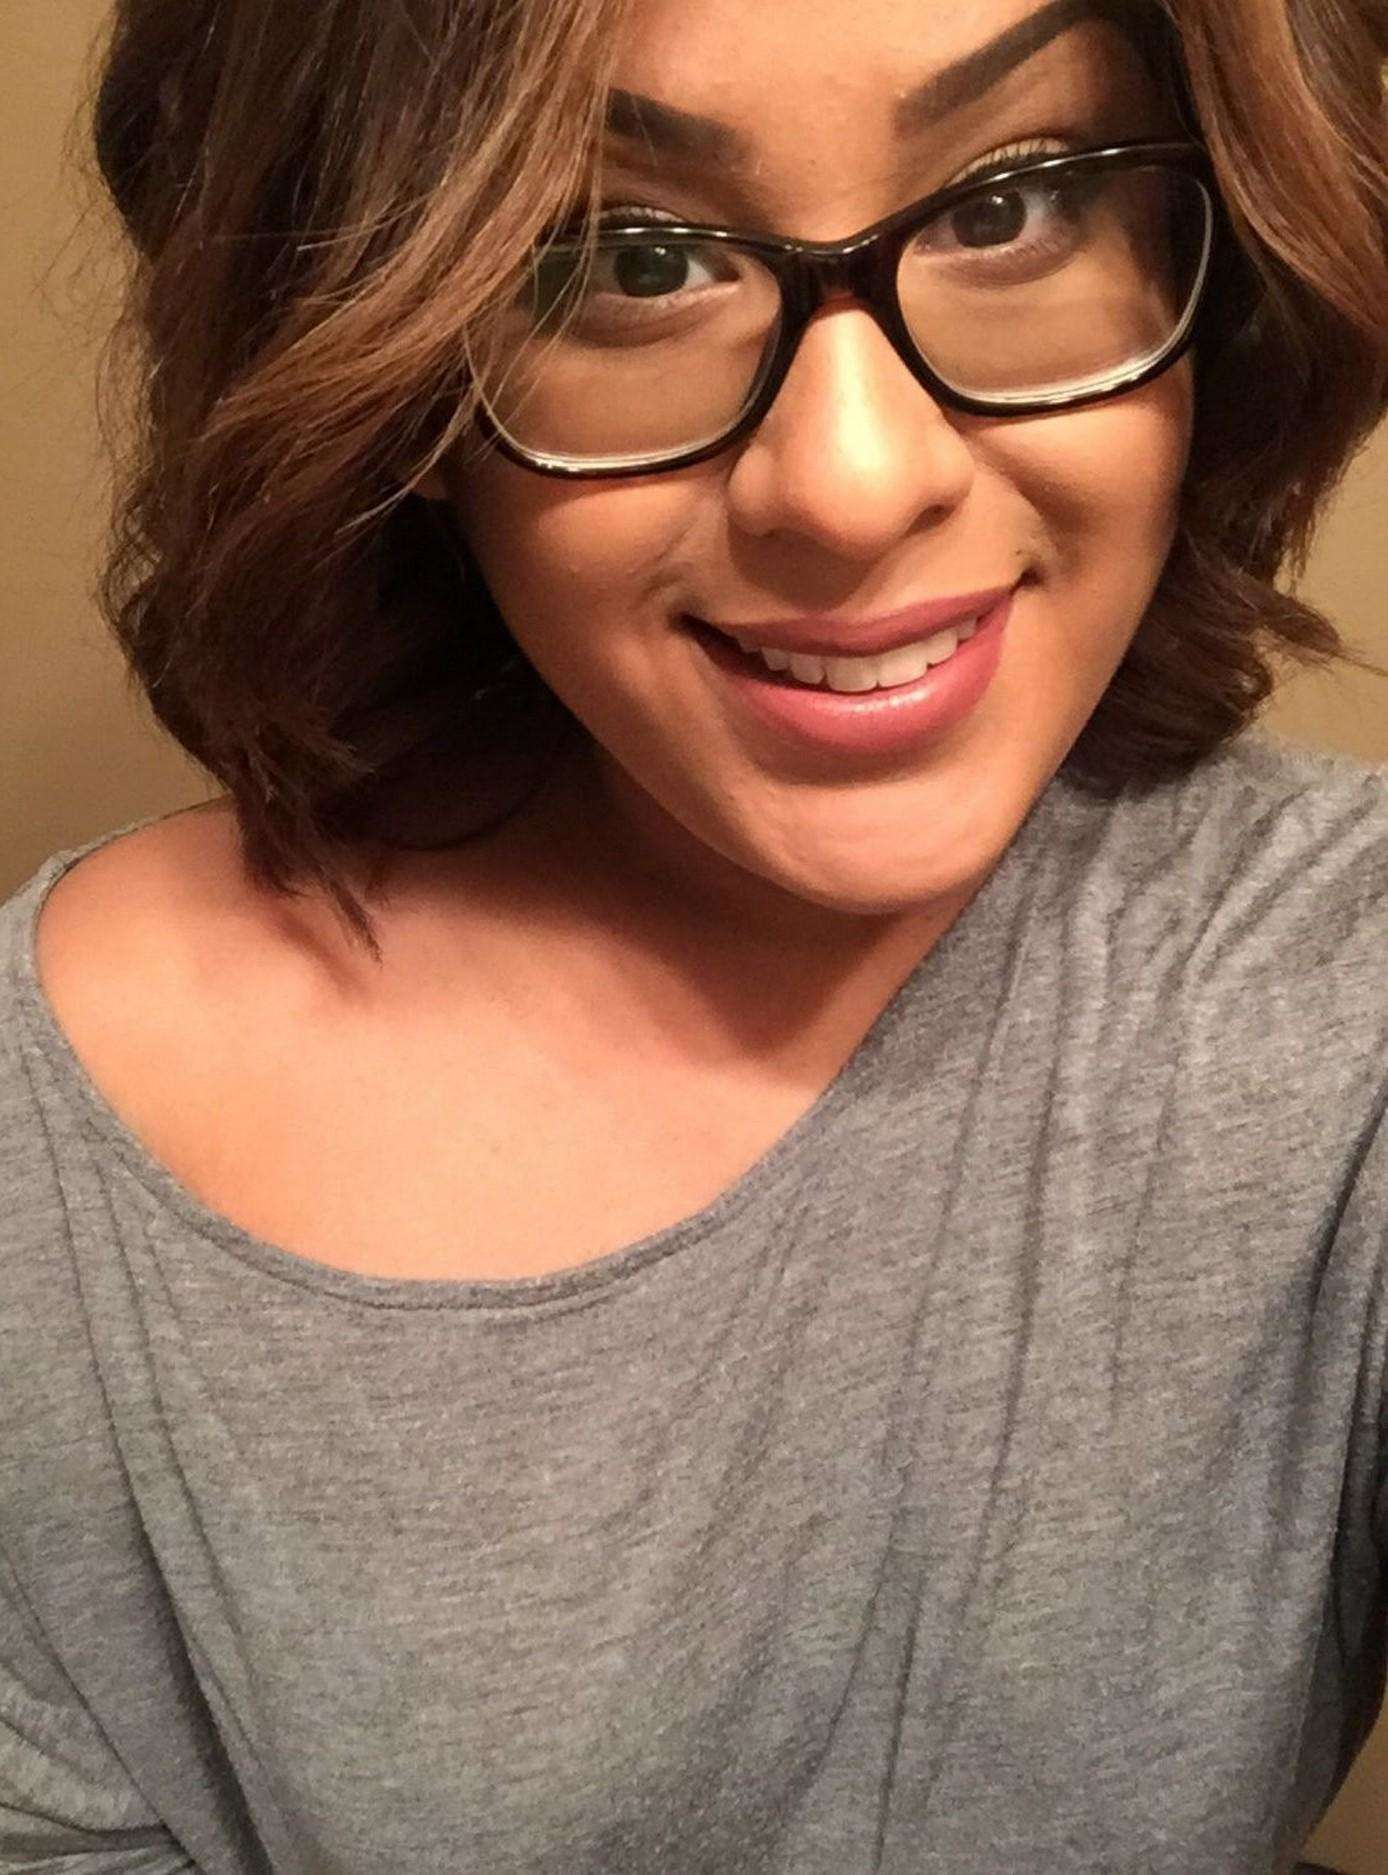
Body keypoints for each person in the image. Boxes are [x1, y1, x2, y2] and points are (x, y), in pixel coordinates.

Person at [2, 0, 1386, 1866]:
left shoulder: (1326, 994)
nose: (853, 485)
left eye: (1013, 205)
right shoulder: (49, 1178)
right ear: (392, 368)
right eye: (629, 262)